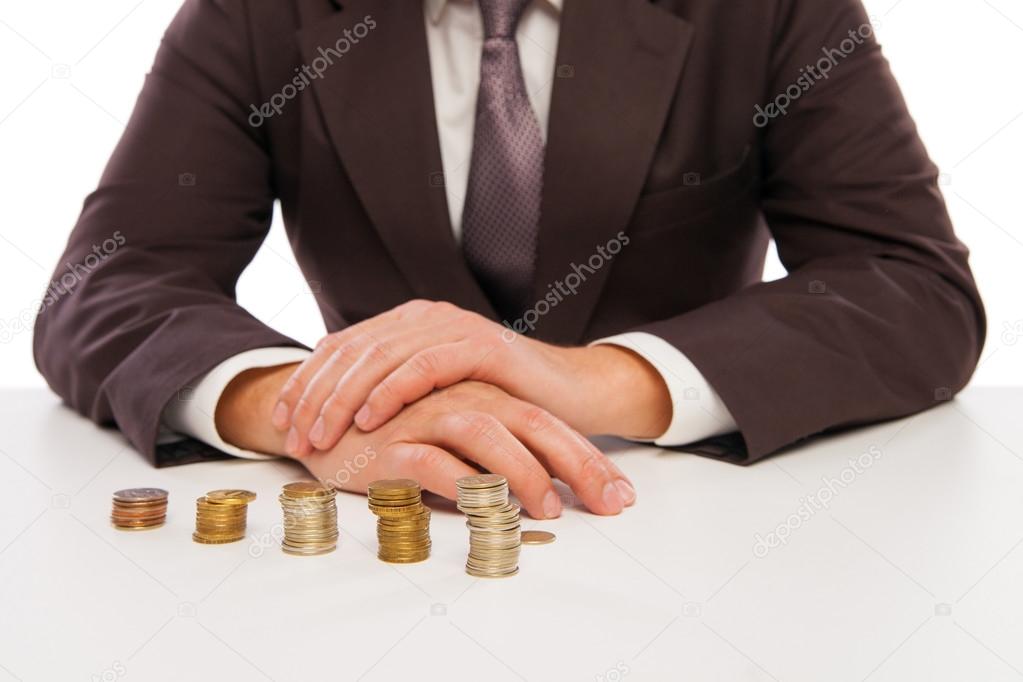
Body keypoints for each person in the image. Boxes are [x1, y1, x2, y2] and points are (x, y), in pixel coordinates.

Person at [33, 0, 985, 519]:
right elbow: (108, 280)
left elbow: (911, 283)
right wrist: (309, 408)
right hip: (369, 557)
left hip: (689, 532)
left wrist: (591, 381)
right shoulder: (257, 15)